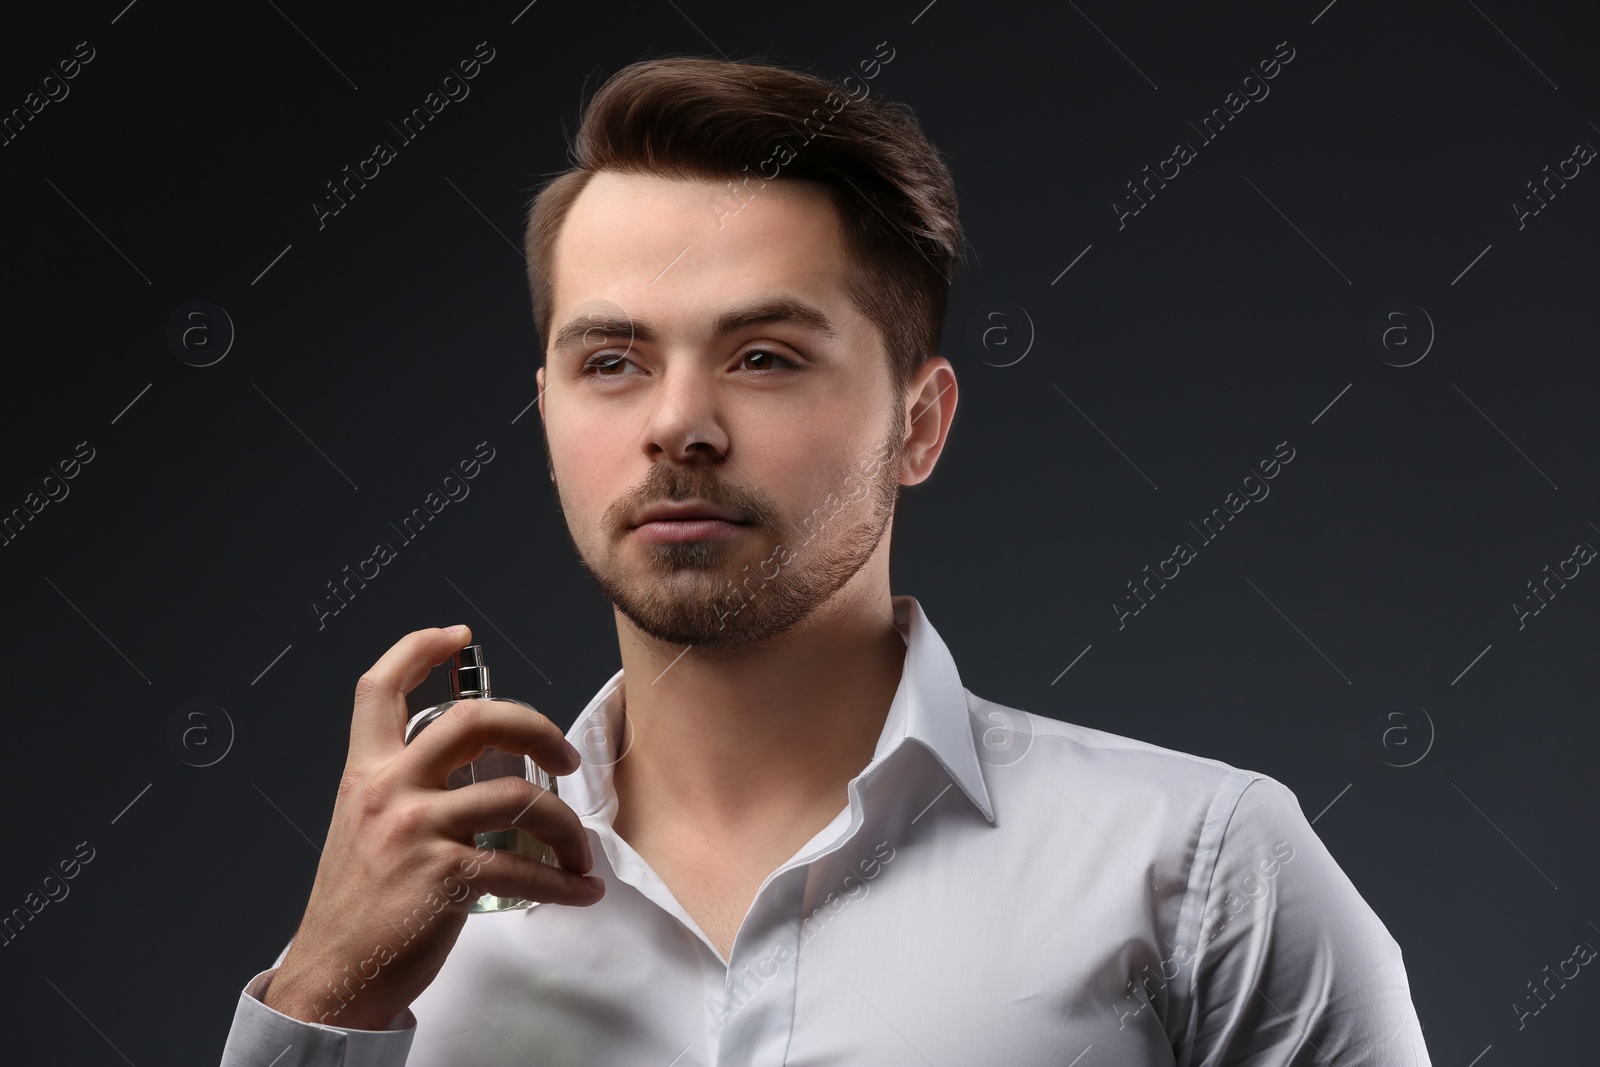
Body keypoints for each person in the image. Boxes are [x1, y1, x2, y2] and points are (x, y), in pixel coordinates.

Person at [219, 54, 1433, 1065]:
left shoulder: (1202, 868)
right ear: (545, 413)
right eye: (612, 361)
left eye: (762, 356)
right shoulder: (414, 922)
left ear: (919, 422)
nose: (676, 423)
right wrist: (328, 986)